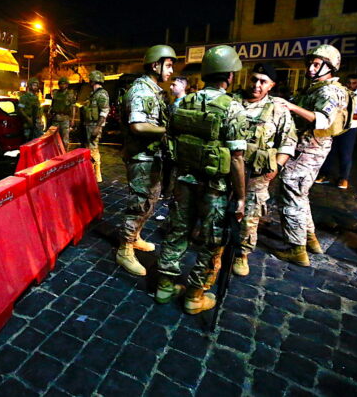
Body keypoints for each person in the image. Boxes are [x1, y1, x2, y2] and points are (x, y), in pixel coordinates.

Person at [155, 45, 247, 314]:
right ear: (229, 76)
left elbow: (171, 142)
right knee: (211, 240)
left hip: (184, 181)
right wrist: (241, 197)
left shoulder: (184, 102)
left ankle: (164, 285)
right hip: (215, 188)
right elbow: (237, 157)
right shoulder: (233, 108)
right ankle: (195, 296)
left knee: (177, 231)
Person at [274, 45, 348, 266]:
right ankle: (310, 240)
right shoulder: (318, 87)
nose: (310, 67)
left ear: (330, 67)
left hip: (308, 150)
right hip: (308, 148)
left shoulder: (328, 91)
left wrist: (290, 106)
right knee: (300, 195)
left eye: (317, 64)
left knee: (291, 195)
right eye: (311, 63)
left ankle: (296, 250)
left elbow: (322, 120)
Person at [232, 62, 297, 276]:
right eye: (254, 79)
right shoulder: (231, 101)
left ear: (271, 85)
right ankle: (217, 246)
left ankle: (242, 255)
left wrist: (277, 166)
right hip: (227, 171)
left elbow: (288, 141)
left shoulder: (278, 109)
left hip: (257, 176)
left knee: (250, 217)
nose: (256, 85)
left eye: (263, 82)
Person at [116, 45, 175, 276]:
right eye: (168, 66)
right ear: (155, 65)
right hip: (140, 157)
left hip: (151, 156)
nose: (170, 71)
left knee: (150, 201)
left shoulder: (154, 90)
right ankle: (125, 249)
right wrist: (167, 130)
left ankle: (135, 236)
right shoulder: (141, 90)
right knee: (139, 203)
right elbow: (138, 125)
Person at [315, 74, 357, 189]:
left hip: (349, 128)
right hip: (333, 127)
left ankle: (344, 178)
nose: (350, 85)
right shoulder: (338, 93)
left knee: (345, 154)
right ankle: (325, 175)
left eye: (353, 83)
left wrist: (345, 116)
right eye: (348, 82)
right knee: (329, 151)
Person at [82, 71, 110, 182]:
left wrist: (98, 127)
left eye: (90, 80)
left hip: (94, 125)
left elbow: (104, 111)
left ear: (93, 80)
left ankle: (97, 175)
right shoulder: (93, 93)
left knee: (93, 148)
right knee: (89, 148)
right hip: (89, 124)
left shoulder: (101, 94)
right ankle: (91, 172)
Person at [49, 76, 77, 149]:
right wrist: (50, 114)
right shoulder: (55, 93)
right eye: (61, 84)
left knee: (65, 140)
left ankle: (64, 154)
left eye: (64, 84)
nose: (62, 85)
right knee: (54, 139)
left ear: (67, 85)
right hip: (55, 119)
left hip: (65, 119)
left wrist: (73, 119)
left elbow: (73, 107)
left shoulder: (70, 94)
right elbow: (52, 105)